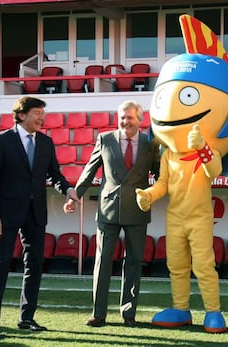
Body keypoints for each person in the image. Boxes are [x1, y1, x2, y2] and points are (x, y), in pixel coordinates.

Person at [0, 96, 79, 340]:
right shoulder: (2, 140)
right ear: (22, 114)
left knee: (34, 266)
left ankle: (26, 318)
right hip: (6, 214)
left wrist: (68, 190)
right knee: (0, 266)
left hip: (36, 215)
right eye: (37, 113)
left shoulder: (46, 142)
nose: (41, 118)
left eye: (42, 113)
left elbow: (55, 174)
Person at [63, 100, 159, 327]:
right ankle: (99, 314)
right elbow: (90, 168)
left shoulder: (150, 143)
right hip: (108, 210)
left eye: (130, 118)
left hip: (137, 210)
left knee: (134, 263)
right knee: (103, 261)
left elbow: (159, 173)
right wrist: (75, 195)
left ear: (140, 120)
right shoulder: (105, 139)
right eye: (122, 117)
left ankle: (129, 313)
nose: (125, 121)